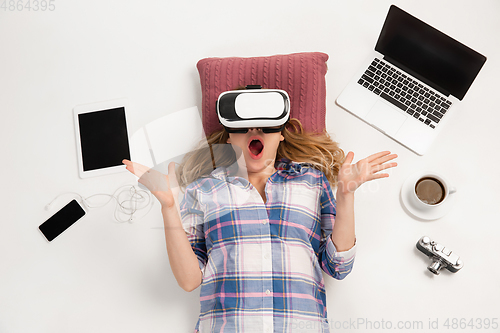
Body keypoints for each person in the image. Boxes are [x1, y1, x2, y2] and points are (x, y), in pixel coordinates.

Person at [122, 96, 397, 333]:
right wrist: (168, 208)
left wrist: (346, 194)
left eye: (267, 126)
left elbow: (338, 266)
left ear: (281, 134)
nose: (255, 131)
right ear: (229, 137)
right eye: (243, 127)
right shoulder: (203, 191)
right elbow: (189, 280)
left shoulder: (311, 182)